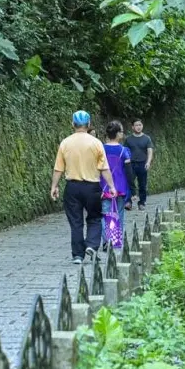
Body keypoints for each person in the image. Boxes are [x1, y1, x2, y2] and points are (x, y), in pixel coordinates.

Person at [50, 110, 117, 264]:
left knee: (76, 221)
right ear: (88, 124)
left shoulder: (65, 143)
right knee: (94, 217)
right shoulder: (96, 143)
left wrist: (54, 186)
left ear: (72, 124)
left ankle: (78, 255)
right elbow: (104, 168)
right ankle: (92, 245)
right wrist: (111, 186)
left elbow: (58, 168)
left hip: (72, 187)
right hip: (92, 187)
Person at [101, 121, 134, 250]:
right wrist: (132, 190)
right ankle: (115, 241)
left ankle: (106, 241)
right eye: (121, 131)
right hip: (120, 187)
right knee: (119, 214)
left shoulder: (101, 149)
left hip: (103, 186)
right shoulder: (124, 151)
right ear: (118, 133)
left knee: (105, 213)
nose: (123, 134)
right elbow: (129, 171)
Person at [124, 119, 154, 211]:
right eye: (136, 125)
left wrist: (148, 162)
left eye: (140, 125)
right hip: (131, 164)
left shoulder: (147, 138)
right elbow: (125, 152)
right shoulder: (128, 139)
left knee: (142, 184)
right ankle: (128, 202)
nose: (138, 127)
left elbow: (150, 151)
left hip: (142, 164)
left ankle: (142, 203)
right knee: (129, 183)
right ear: (132, 127)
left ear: (142, 126)